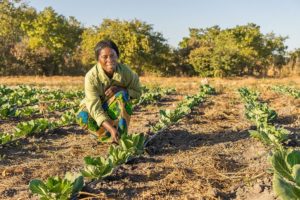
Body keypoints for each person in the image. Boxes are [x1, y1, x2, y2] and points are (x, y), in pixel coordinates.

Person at [76, 39, 142, 144]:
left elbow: (138, 92)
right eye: (104, 57)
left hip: (112, 107)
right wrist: (111, 128)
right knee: (82, 116)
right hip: (97, 109)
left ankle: (121, 137)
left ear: (117, 56)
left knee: (122, 95)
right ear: (98, 59)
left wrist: (122, 89)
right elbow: (95, 108)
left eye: (112, 55)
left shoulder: (126, 72)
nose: (109, 60)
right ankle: (107, 135)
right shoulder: (91, 77)